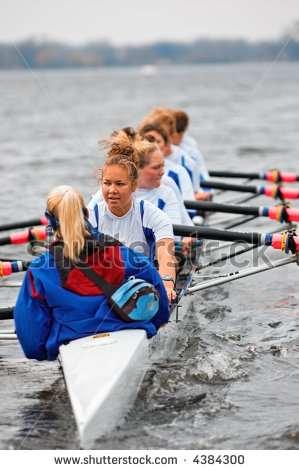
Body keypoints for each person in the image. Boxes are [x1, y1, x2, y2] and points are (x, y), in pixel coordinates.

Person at [14, 185, 170, 361]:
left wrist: (46, 352)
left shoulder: (39, 270)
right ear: (86, 213)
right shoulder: (124, 254)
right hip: (128, 333)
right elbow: (160, 302)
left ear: (50, 220)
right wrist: (150, 327)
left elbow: (31, 342)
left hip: (73, 343)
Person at [88, 131, 177, 302]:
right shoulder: (91, 216)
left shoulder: (153, 216)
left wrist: (166, 284)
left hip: (139, 289)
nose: (112, 190)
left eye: (120, 184)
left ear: (134, 185)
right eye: (107, 183)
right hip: (101, 289)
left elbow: (166, 254)